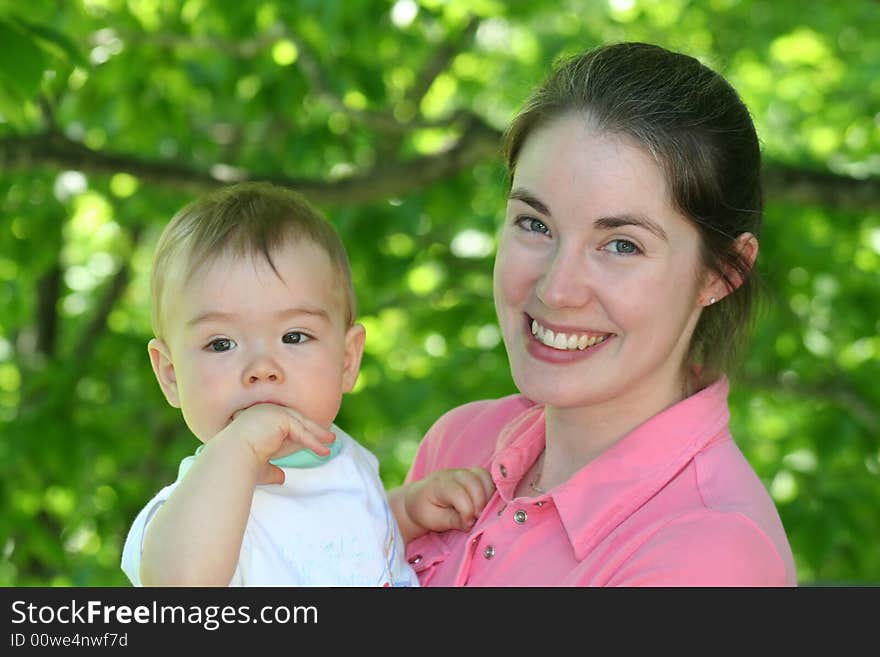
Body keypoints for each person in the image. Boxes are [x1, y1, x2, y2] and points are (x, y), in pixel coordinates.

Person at [391, 42, 797, 586]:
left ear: (721, 271)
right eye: (535, 224)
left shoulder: (711, 555)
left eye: (622, 245)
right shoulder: (461, 442)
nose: (558, 290)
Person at [121, 182, 494, 586]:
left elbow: (343, 549)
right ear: (171, 375)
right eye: (221, 343)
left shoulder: (348, 461)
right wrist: (241, 447)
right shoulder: (191, 510)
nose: (262, 368)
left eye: (294, 336)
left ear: (347, 360)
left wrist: (407, 513)